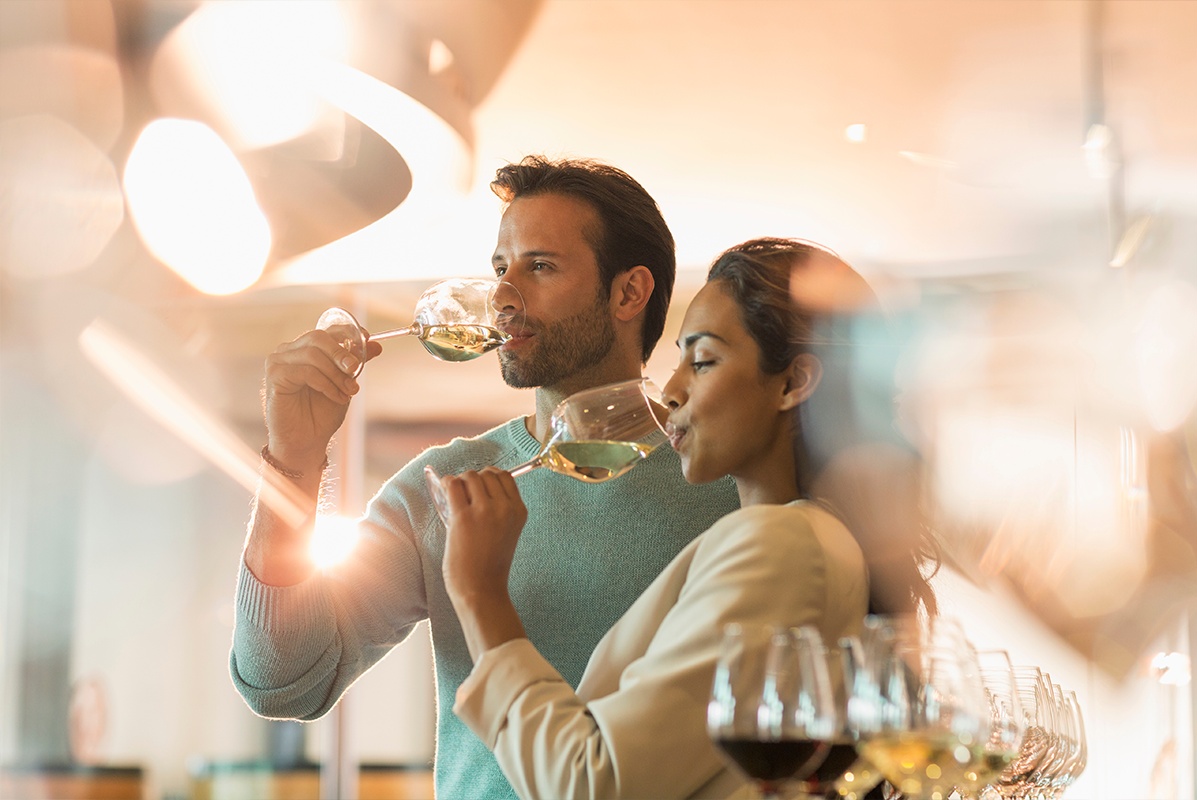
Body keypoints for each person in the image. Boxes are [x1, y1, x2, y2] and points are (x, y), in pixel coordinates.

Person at [229, 156, 741, 799]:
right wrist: (294, 462)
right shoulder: (439, 487)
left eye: (540, 266)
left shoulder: (728, 481)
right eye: (501, 268)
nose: (502, 294)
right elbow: (283, 682)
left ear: (628, 293)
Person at [437, 237, 940, 799]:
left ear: (794, 383)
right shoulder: (813, 535)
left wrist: (481, 597)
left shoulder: (783, 540)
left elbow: (592, 784)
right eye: (679, 359)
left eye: (703, 360)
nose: (671, 391)